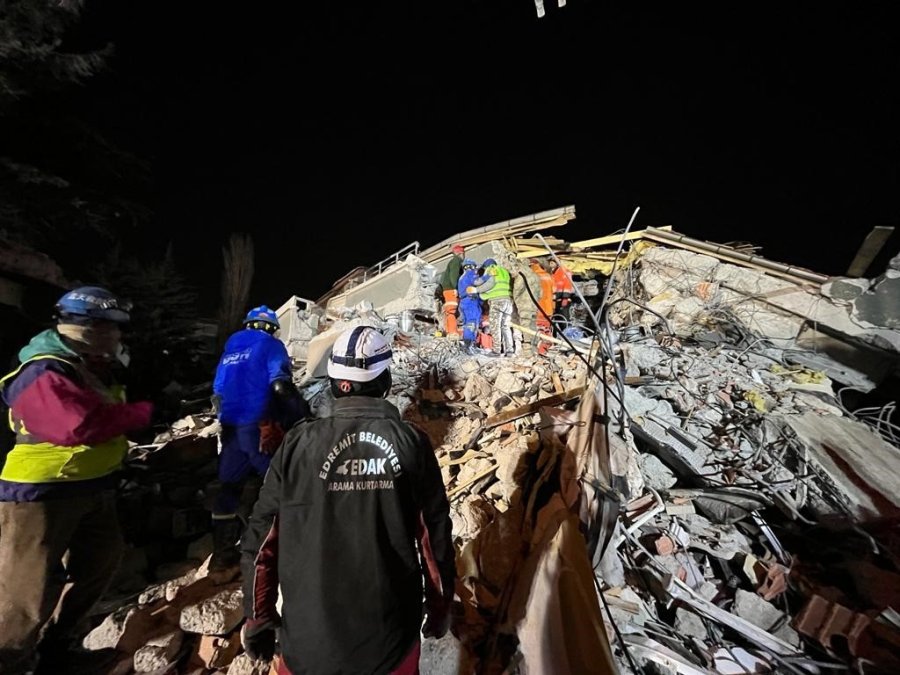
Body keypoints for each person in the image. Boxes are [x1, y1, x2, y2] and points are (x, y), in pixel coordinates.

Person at [240, 325, 456, 675]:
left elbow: (262, 538)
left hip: (307, 650)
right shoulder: (411, 443)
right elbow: (435, 538)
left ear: (333, 384)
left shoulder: (297, 445)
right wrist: (440, 606)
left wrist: (257, 616)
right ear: (385, 383)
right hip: (390, 647)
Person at [0, 286, 153, 674]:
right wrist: (140, 415)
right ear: (87, 325)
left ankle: (59, 649)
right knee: (27, 592)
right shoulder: (43, 368)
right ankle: (11, 659)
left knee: (99, 565)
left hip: (92, 486)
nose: (117, 337)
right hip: (41, 493)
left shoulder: (92, 366)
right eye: (111, 327)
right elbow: (76, 426)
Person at [211, 305, 307, 569]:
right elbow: (280, 385)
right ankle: (289, 546)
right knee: (282, 482)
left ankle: (221, 555)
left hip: (230, 430)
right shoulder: (271, 346)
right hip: (259, 429)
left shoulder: (230, 351)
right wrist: (300, 414)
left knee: (229, 489)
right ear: (272, 329)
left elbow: (217, 394)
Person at [472, 257, 515, 356]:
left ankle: (496, 350)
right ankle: (509, 350)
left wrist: (477, 290)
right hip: (508, 301)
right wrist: (484, 296)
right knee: (505, 326)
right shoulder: (504, 271)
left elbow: (490, 284)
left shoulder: (491, 269)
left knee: (495, 326)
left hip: (497, 301)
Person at [438, 244, 465, 337]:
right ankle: (453, 333)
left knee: (450, 311)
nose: (463, 255)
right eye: (463, 253)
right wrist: (455, 288)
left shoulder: (453, 262)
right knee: (451, 311)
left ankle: (450, 332)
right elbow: (454, 276)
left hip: (447, 290)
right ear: (460, 253)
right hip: (450, 289)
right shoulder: (456, 261)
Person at [457, 258, 482, 354]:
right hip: (470, 302)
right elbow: (478, 282)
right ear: (471, 266)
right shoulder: (470, 274)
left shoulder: (462, 277)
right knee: (471, 323)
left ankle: (469, 344)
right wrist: (488, 276)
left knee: (468, 323)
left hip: (465, 302)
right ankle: (468, 346)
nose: (475, 270)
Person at [530, 259, 555, 355]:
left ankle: (541, 350)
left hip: (539, 308)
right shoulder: (548, 276)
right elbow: (554, 291)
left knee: (538, 331)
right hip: (548, 308)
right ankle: (548, 348)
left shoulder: (533, 276)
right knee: (547, 329)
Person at [546, 257, 576, 325]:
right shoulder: (552, 272)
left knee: (564, 319)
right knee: (556, 319)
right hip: (556, 299)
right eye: (550, 263)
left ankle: (565, 332)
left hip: (563, 298)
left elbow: (568, 285)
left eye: (552, 263)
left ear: (557, 263)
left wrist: (565, 298)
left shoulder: (564, 271)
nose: (550, 265)